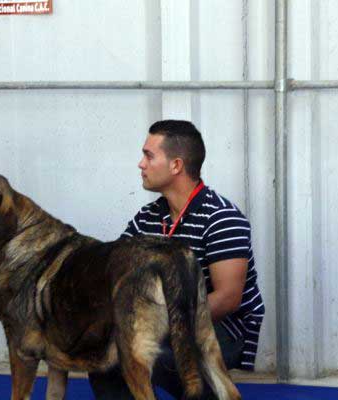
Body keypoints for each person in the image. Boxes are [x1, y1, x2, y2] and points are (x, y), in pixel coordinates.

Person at [89, 120, 264, 399]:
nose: (140, 164)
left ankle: (212, 390)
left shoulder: (222, 218)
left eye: (149, 155)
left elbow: (229, 298)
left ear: (176, 165)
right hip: (162, 319)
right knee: (105, 355)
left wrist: (161, 323)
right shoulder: (147, 218)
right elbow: (110, 269)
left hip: (221, 328)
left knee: (159, 357)